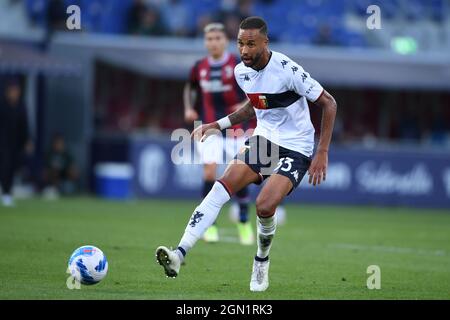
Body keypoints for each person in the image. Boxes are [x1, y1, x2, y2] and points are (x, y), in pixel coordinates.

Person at [156, 16, 337, 292]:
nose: (244, 50)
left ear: (265, 42)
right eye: (240, 43)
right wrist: (217, 125)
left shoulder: (287, 70)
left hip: (297, 145)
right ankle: (179, 253)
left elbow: (329, 102)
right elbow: (254, 106)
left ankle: (261, 261)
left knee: (264, 206)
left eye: (251, 44)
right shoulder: (242, 72)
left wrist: (321, 151)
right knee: (219, 189)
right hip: (265, 140)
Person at [184, 22, 255, 245]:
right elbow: (190, 87)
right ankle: (209, 225)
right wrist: (188, 107)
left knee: (239, 177)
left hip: (237, 128)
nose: (213, 42)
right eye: (209, 39)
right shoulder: (199, 67)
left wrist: (244, 104)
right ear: (205, 42)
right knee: (209, 172)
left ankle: (243, 222)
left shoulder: (237, 64)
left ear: (225, 41)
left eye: (217, 38)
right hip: (209, 126)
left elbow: (255, 88)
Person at [0, 77, 31, 207]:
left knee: (11, 168)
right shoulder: (2, 105)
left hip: (15, 143)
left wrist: (27, 140)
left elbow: (25, 126)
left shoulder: (21, 106)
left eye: (17, 90)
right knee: (4, 166)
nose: (15, 93)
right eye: (13, 90)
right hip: (2, 142)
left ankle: (7, 194)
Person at [42, 133, 79, 198]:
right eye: (57, 143)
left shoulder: (67, 155)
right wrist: (52, 173)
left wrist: (69, 171)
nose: (58, 145)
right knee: (47, 191)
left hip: (64, 182)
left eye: (60, 143)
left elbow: (75, 174)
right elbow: (44, 173)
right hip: (51, 183)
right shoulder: (49, 155)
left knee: (68, 187)